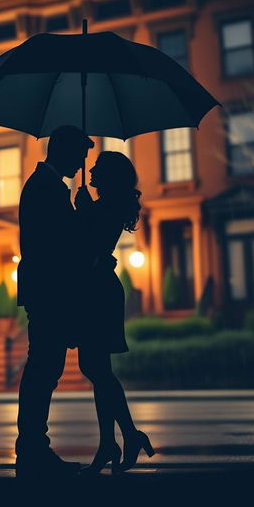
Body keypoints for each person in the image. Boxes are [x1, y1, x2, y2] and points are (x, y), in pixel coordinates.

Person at [14, 124, 94, 478]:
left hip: (46, 290)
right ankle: (32, 450)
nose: (81, 165)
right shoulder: (46, 188)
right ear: (62, 150)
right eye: (79, 155)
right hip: (49, 292)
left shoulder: (46, 186)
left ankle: (33, 448)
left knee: (45, 370)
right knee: (43, 370)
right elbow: (59, 243)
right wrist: (82, 214)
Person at [75, 150, 155, 475]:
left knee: (95, 368)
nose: (90, 171)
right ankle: (112, 440)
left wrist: (81, 211)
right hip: (97, 290)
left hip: (98, 293)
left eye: (97, 168)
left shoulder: (105, 208)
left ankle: (126, 436)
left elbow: (87, 246)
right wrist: (83, 210)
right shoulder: (102, 206)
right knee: (98, 369)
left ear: (107, 176)